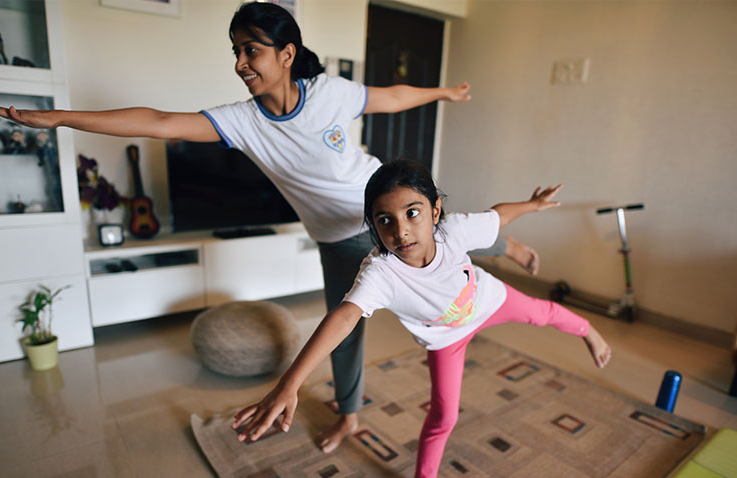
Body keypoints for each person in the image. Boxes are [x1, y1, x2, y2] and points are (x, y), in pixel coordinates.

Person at [0, 1, 543, 453]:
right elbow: (161, 122)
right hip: (339, 237)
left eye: (252, 50)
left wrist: (442, 91)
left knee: (457, 253)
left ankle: (508, 241)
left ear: (287, 53)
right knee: (344, 330)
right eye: (236, 53)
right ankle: (349, 416)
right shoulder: (240, 122)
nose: (241, 63)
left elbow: (391, 96)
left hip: (384, 209)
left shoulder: (331, 95)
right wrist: (59, 117)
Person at [231, 159, 612, 478]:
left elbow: (499, 216)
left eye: (412, 213)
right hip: (445, 339)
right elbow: (344, 318)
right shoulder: (379, 272)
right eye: (385, 220)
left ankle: (589, 331)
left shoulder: (455, 230)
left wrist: (532, 205)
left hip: (488, 299)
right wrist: (290, 383)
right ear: (374, 226)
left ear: (435, 210)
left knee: (543, 313)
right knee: (444, 415)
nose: (401, 231)